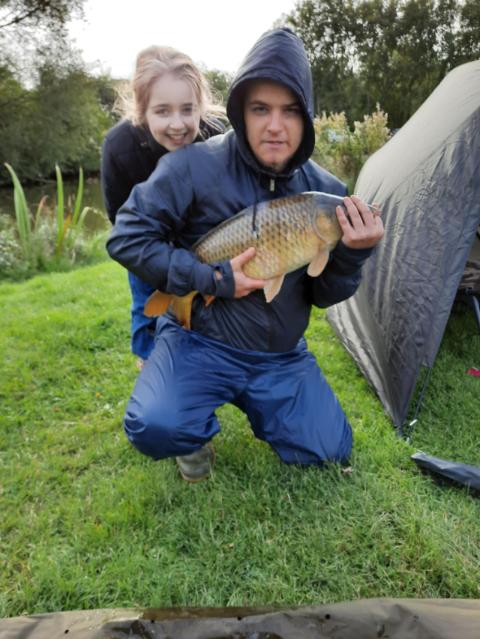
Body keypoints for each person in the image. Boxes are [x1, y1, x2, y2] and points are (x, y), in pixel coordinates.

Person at [106, 28, 384, 482]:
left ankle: (267, 407)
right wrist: (209, 279)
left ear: (307, 116)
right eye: (260, 109)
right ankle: (192, 432)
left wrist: (353, 254)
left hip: (279, 355)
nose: (275, 125)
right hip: (201, 343)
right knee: (156, 425)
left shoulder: (327, 191)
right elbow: (125, 238)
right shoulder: (190, 165)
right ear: (240, 111)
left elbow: (324, 294)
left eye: (290, 110)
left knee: (329, 451)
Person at [101, 45, 224, 366]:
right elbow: (120, 221)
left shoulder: (216, 137)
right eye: (163, 111)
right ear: (142, 111)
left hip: (204, 245)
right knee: (150, 317)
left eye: (187, 109)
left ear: (201, 106)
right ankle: (150, 367)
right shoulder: (119, 147)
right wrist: (163, 260)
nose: (178, 124)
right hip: (150, 249)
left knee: (205, 322)